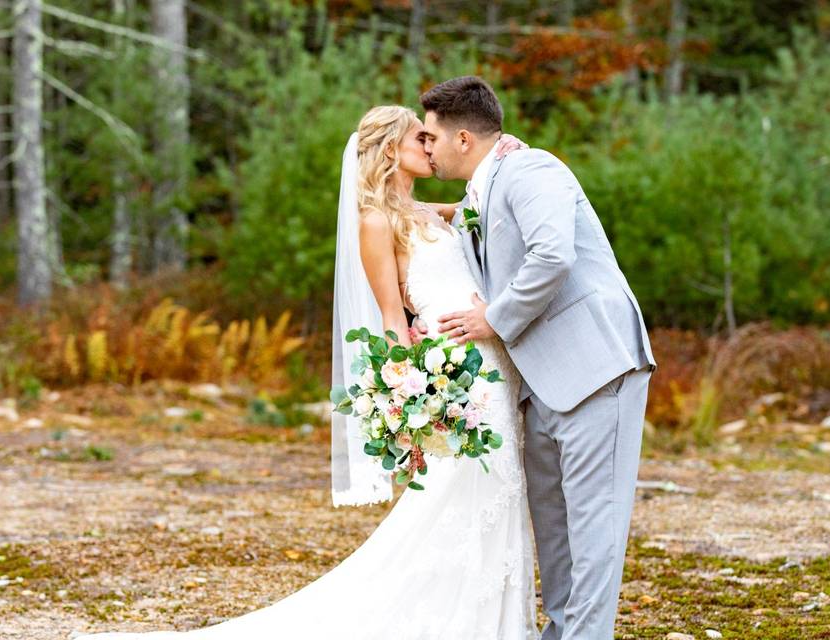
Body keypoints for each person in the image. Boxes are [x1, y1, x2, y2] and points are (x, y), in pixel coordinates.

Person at [71, 104, 539, 639]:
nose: (431, 146)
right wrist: (405, 400)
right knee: (458, 496)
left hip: (489, 367)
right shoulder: (375, 221)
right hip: (453, 375)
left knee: (496, 491)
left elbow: (480, 198)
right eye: (420, 138)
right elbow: (391, 315)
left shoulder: (428, 212)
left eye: (433, 138)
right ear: (392, 150)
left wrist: (507, 155)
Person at [418, 76, 656, 640]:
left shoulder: (532, 168)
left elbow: (553, 253)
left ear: (463, 139)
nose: (425, 148)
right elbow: (488, 227)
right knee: (554, 527)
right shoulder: (484, 187)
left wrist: (493, 318)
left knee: (594, 525)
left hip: (597, 368)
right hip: (537, 386)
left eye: (430, 137)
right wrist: (438, 214)